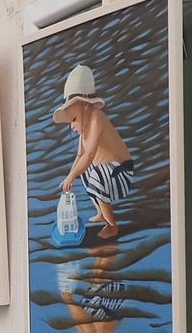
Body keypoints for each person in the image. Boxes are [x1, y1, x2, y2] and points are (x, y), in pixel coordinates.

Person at [54, 65, 135, 239]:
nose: (73, 127)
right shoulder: (84, 129)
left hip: (122, 171)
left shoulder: (97, 118)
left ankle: (112, 225)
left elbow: (89, 155)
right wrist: (71, 175)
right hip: (109, 172)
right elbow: (80, 156)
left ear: (84, 105)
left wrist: (72, 175)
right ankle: (101, 211)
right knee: (84, 173)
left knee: (95, 175)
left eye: (73, 119)